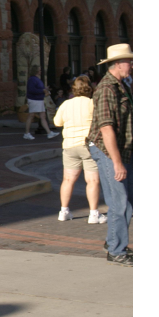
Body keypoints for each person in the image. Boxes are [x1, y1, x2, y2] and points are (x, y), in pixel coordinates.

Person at [87, 44, 133, 267]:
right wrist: (117, 162)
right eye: (129, 61)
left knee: (127, 202)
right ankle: (116, 250)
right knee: (119, 202)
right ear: (117, 64)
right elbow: (106, 129)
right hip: (108, 151)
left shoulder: (122, 85)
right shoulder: (106, 89)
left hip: (122, 150)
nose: (131, 65)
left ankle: (114, 242)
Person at [52, 76, 106, 224]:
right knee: (92, 180)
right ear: (89, 88)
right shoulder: (92, 103)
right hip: (88, 144)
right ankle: (94, 213)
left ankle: (64, 211)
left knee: (68, 179)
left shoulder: (66, 104)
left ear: (73, 89)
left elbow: (57, 122)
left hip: (69, 144)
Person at [23, 64, 60, 140]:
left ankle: (49, 132)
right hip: (34, 100)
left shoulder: (36, 79)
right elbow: (31, 90)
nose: (40, 71)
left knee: (43, 116)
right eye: (39, 70)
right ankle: (26, 133)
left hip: (39, 100)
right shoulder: (32, 79)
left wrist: (45, 89)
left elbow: (38, 88)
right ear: (36, 71)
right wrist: (42, 90)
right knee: (31, 115)